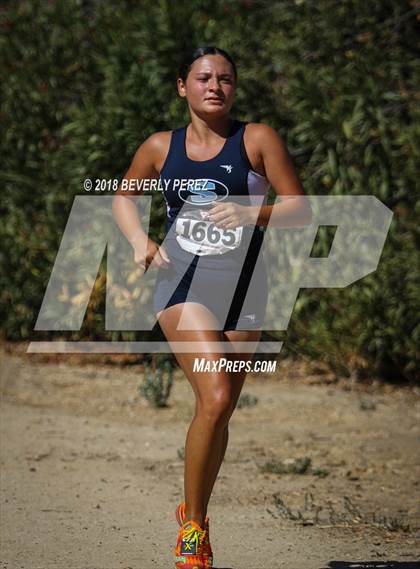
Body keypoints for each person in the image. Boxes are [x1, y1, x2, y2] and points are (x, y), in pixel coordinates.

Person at [112, 46, 311, 569]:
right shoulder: (160, 147)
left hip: (247, 287)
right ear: (183, 86)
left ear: (234, 88)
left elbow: (300, 208)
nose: (215, 86)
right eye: (203, 78)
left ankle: (193, 510)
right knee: (218, 392)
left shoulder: (258, 139)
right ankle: (194, 533)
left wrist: (251, 213)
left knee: (217, 410)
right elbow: (123, 196)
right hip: (183, 285)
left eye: (225, 78)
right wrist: (139, 241)